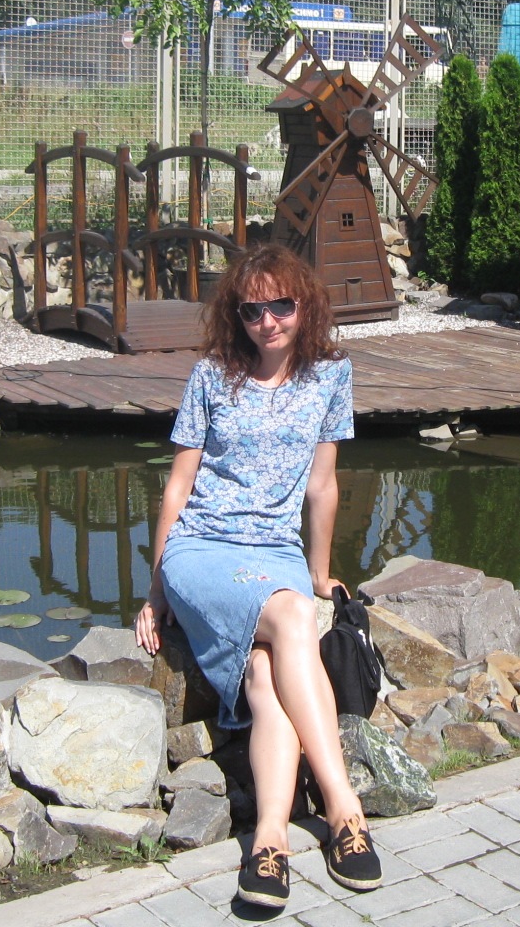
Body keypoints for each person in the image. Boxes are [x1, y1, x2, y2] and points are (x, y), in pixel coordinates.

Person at [135, 244, 381, 910]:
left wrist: (320, 572)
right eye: (252, 310)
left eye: (281, 305)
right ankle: (344, 809)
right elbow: (178, 488)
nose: (267, 321)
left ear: (305, 305)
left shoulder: (331, 376)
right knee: (293, 615)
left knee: (268, 674)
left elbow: (322, 486)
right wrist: (157, 590)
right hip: (202, 549)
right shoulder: (212, 376)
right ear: (235, 316)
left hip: (275, 550)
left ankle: (270, 839)